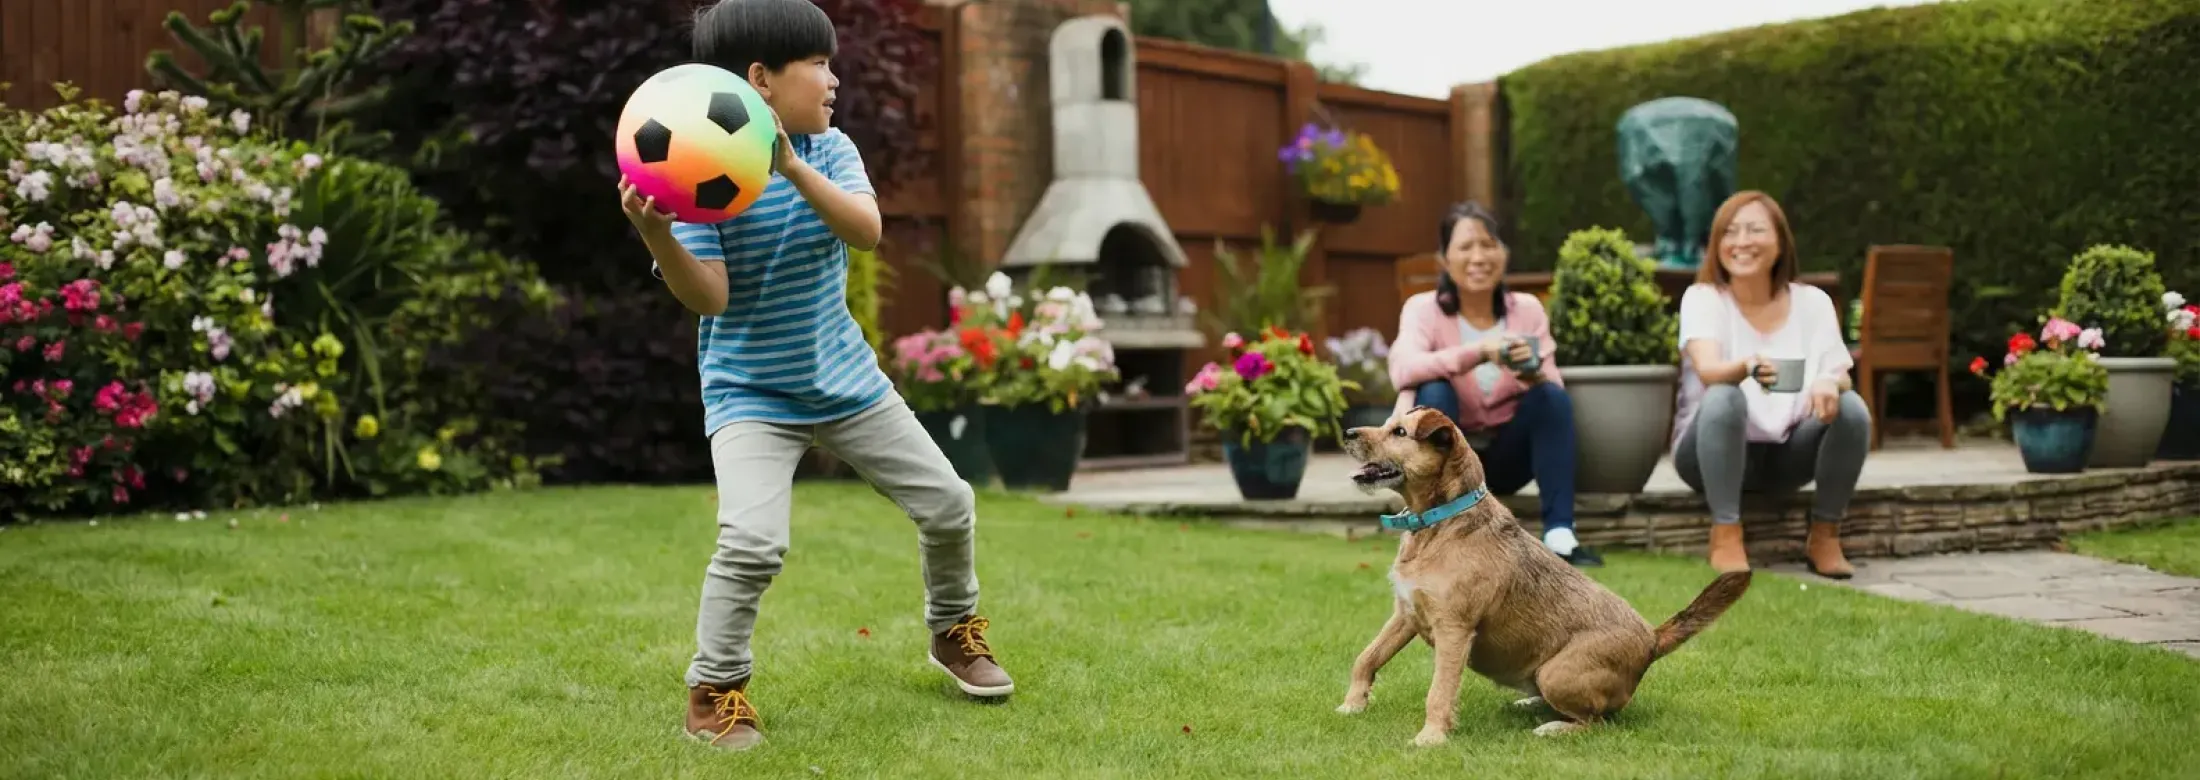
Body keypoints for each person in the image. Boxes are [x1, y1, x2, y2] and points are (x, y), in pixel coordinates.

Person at [617, 0, 1011, 751]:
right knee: (752, 541)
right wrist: (656, 236)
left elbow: (865, 233)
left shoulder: (830, 151)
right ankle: (715, 691)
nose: (835, 79)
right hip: (752, 396)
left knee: (949, 503)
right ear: (761, 80)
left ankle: (953, 630)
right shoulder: (702, 169)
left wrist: (792, 164)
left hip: (847, 383)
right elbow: (711, 297)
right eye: (819, 65)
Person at [1387, 202, 1602, 567]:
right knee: (1434, 392)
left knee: (1550, 397)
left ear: (1504, 253)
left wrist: (1531, 372)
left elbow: (1554, 385)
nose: (1478, 257)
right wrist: (1481, 351)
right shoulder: (1423, 309)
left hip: (1506, 458)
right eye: (1466, 247)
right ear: (1444, 259)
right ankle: (1438, 529)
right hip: (1445, 461)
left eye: (1488, 245)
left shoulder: (1528, 309)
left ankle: (1561, 536)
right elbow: (1404, 369)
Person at [1671, 190, 1870, 578]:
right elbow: (1709, 369)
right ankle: (1726, 532)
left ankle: (1825, 534)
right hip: (1707, 454)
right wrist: (1746, 366)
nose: (1742, 241)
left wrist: (1830, 382)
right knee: (1725, 396)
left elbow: (1839, 370)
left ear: (1780, 242)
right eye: (1730, 232)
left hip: (1786, 455)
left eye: (1755, 230)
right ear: (1717, 244)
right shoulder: (1703, 298)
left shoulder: (1812, 302)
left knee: (1852, 408)